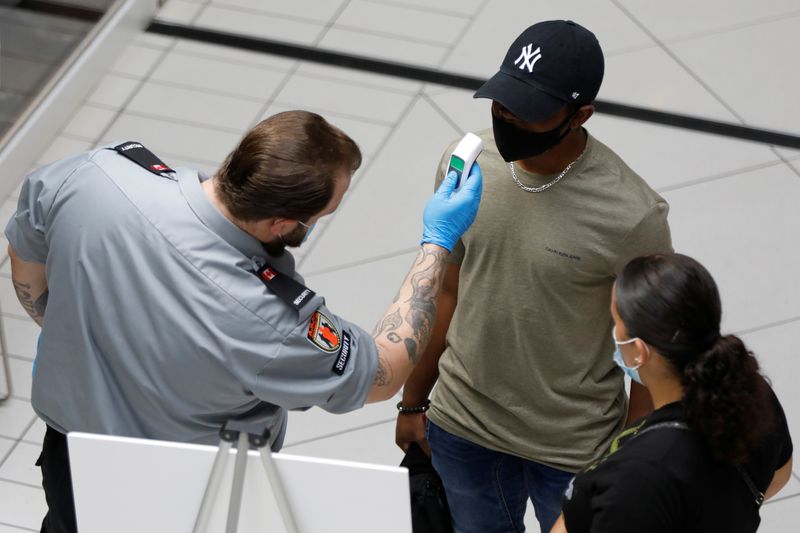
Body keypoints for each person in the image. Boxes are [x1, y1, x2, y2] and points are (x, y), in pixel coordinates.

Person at [5, 110, 483, 533]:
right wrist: (437, 243)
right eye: (321, 214)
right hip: (183, 496)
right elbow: (382, 373)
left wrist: (81, 333)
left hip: (71, 460)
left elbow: (25, 261)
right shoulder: (271, 317)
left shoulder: (100, 173)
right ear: (280, 223)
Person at [395, 20, 673, 533]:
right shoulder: (468, 166)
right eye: (502, 103)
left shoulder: (632, 214)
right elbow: (447, 291)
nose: (508, 118)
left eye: (530, 112)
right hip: (462, 426)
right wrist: (414, 400)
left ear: (581, 114)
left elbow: (648, 350)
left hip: (574, 447)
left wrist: (625, 458)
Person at [552, 253, 793, 533]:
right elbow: (780, 475)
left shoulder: (640, 477)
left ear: (639, 350)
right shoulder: (752, 391)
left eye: (616, 322)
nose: (614, 333)